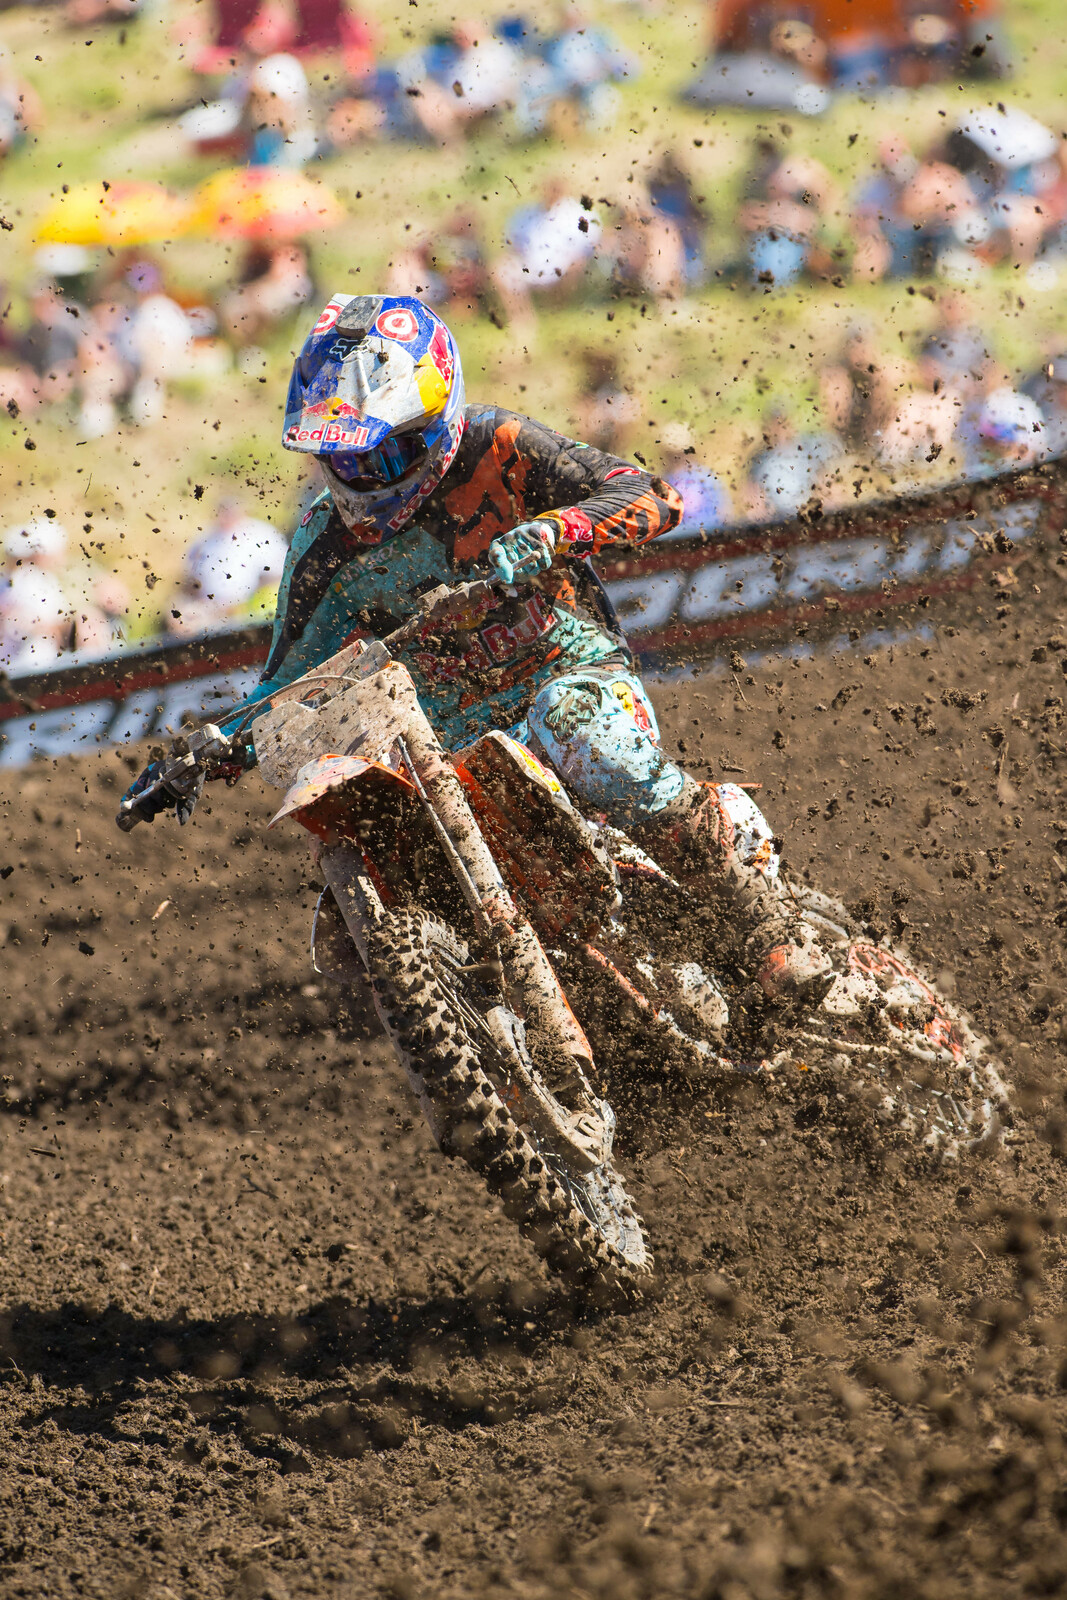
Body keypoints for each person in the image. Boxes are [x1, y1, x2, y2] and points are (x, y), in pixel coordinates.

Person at [122, 294, 831, 1016]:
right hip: (451, 745)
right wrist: (208, 751)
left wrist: (558, 531)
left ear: (438, 420)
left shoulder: (499, 449)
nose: (366, 474)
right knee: (390, 843)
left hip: (569, 676)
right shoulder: (324, 546)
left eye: (387, 451)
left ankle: (766, 933)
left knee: (578, 729)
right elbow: (290, 681)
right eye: (344, 456)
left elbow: (649, 496)